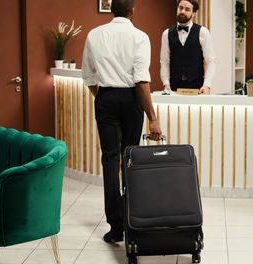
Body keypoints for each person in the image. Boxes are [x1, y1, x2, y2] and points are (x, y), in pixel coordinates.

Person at [81, 0, 162, 243]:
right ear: (132, 10)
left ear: (111, 8)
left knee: (110, 159)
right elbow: (141, 81)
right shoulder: (140, 37)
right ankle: (131, 220)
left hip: (104, 97)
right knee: (129, 158)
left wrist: (106, 97)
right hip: (131, 99)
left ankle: (115, 227)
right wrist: (153, 118)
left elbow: (88, 76)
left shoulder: (94, 35)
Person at [160, 0, 216, 94]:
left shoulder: (203, 32)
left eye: (187, 9)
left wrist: (207, 85)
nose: (182, 11)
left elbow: (210, 61)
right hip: (174, 87)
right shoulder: (166, 34)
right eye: (180, 8)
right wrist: (166, 83)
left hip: (197, 86)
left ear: (193, 13)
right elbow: (164, 62)